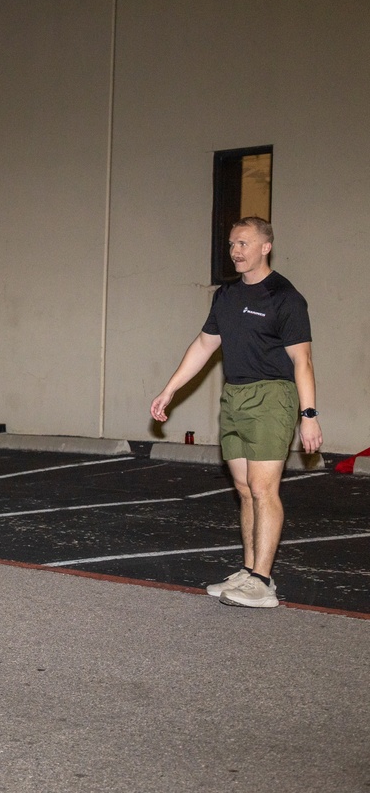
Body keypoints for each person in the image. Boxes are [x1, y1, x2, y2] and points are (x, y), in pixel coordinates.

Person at [150, 217, 322, 608]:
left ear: (265, 247)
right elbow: (203, 345)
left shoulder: (285, 297)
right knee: (244, 489)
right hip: (235, 396)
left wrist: (308, 413)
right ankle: (248, 571)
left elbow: (303, 361)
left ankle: (262, 582)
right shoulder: (226, 296)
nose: (235, 252)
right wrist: (169, 390)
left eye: (244, 244)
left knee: (264, 489)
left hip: (273, 397)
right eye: (231, 245)